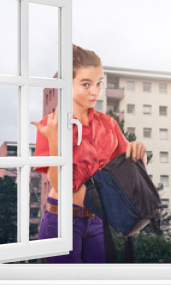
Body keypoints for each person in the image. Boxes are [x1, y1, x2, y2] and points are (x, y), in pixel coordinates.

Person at [32, 44, 147, 263]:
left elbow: (131, 172)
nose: (95, 91)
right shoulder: (51, 125)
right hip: (61, 221)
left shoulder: (108, 125)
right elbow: (58, 185)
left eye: (99, 84)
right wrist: (55, 142)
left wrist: (139, 152)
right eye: (86, 84)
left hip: (97, 223)